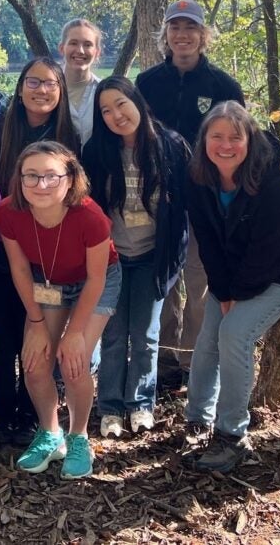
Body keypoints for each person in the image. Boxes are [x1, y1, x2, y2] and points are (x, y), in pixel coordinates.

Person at [183, 101, 280, 472]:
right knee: (208, 335)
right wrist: (224, 291)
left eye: (235, 137)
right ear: (204, 140)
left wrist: (237, 296)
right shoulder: (198, 179)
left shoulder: (272, 185)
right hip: (231, 269)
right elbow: (208, 241)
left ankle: (232, 436)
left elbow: (268, 253)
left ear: (250, 141)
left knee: (234, 334)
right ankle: (198, 417)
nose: (225, 145)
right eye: (217, 136)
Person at [0, 141, 121, 479]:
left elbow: (96, 278)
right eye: (31, 176)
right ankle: (50, 434)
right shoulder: (8, 212)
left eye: (52, 176)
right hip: (48, 281)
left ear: (70, 178)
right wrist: (36, 322)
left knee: (74, 363)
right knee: (35, 363)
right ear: (19, 180)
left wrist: (76, 332)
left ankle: (78, 436)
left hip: (95, 282)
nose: (42, 185)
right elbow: (20, 270)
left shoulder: (91, 217)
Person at [136, 0, 245, 391]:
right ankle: (164, 360)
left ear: (204, 35)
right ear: (165, 35)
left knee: (199, 282)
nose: (182, 35)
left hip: (206, 199)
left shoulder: (222, 86)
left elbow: (239, 142)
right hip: (159, 199)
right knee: (164, 282)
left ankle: (191, 361)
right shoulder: (146, 83)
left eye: (191, 28)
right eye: (175, 28)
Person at [0, 57, 81, 446]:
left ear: (61, 92)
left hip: (50, 257)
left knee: (41, 341)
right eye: (34, 82)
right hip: (0, 253)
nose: (42, 90)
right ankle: (6, 418)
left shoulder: (70, 139)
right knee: (4, 341)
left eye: (51, 84)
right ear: (20, 88)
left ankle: (38, 413)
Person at [82, 77, 190, 438]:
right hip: (110, 259)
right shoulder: (96, 151)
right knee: (112, 334)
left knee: (145, 334)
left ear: (137, 102)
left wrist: (173, 259)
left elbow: (185, 209)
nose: (116, 115)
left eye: (121, 104)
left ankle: (141, 404)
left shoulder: (171, 146)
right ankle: (110, 406)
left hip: (152, 257)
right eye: (106, 110)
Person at [59, 18, 103, 144]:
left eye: (88, 45)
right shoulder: (48, 91)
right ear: (62, 48)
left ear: (97, 52)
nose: (80, 50)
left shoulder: (105, 91)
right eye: (73, 43)